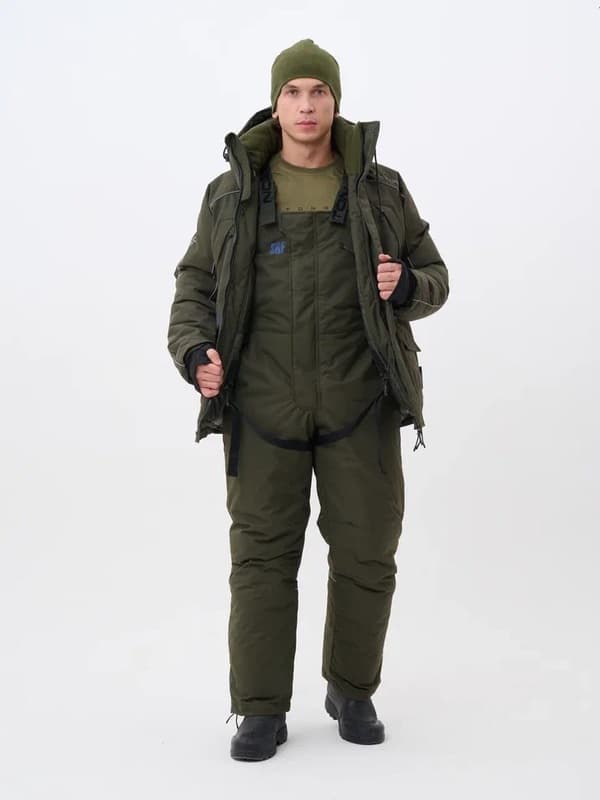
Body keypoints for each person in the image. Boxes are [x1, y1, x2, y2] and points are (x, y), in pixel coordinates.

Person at [167, 38, 449, 761]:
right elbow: (195, 285)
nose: (305, 104)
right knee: (261, 558)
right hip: (261, 404)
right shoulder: (229, 194)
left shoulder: (381, 189)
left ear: (335, 101)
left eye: (318, 91)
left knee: (367, 550)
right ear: (276, 104)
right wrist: (195, 353)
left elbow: (434, 274)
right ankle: (260, 708)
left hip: (362, 400)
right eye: (292, 91)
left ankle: (351, 690)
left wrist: (407, 286)